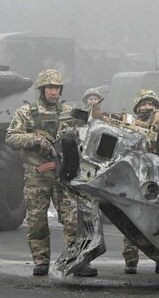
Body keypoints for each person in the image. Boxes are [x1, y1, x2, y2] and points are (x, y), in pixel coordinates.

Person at [6, 69, 97, 277]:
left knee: (73, 220)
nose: (53, 92)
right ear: (42, 89)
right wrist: (36, 139)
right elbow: (11, 138)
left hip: (63, 174)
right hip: (37, 175)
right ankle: (41, 261)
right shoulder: (27, 112)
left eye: (57, 88)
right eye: (50, 88)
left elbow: (87, 133)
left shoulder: (68, 112)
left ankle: (78, 261)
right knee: (37, 222)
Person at [122, 89, 159, 275]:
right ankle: (131, 261)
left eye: (151, 104)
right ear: (137, 107)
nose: (147, 107)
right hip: (135, 178)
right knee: (131, 218)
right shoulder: (127, 125)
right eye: (143, 104)